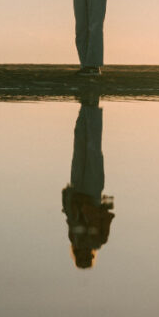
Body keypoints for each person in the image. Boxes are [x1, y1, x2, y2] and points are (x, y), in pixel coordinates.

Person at [61, 92, 114, 269]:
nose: (83, 253)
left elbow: (70, 217)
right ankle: (90, 107)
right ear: (90, 256)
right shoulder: (98, 240)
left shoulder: (76, 239)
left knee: (82, 147)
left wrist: (68, 199)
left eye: (80, 257)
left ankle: (86, 108)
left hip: (79, 191)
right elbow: (107, 216)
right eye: (86, 257)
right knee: (92, 150)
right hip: (91, 193)